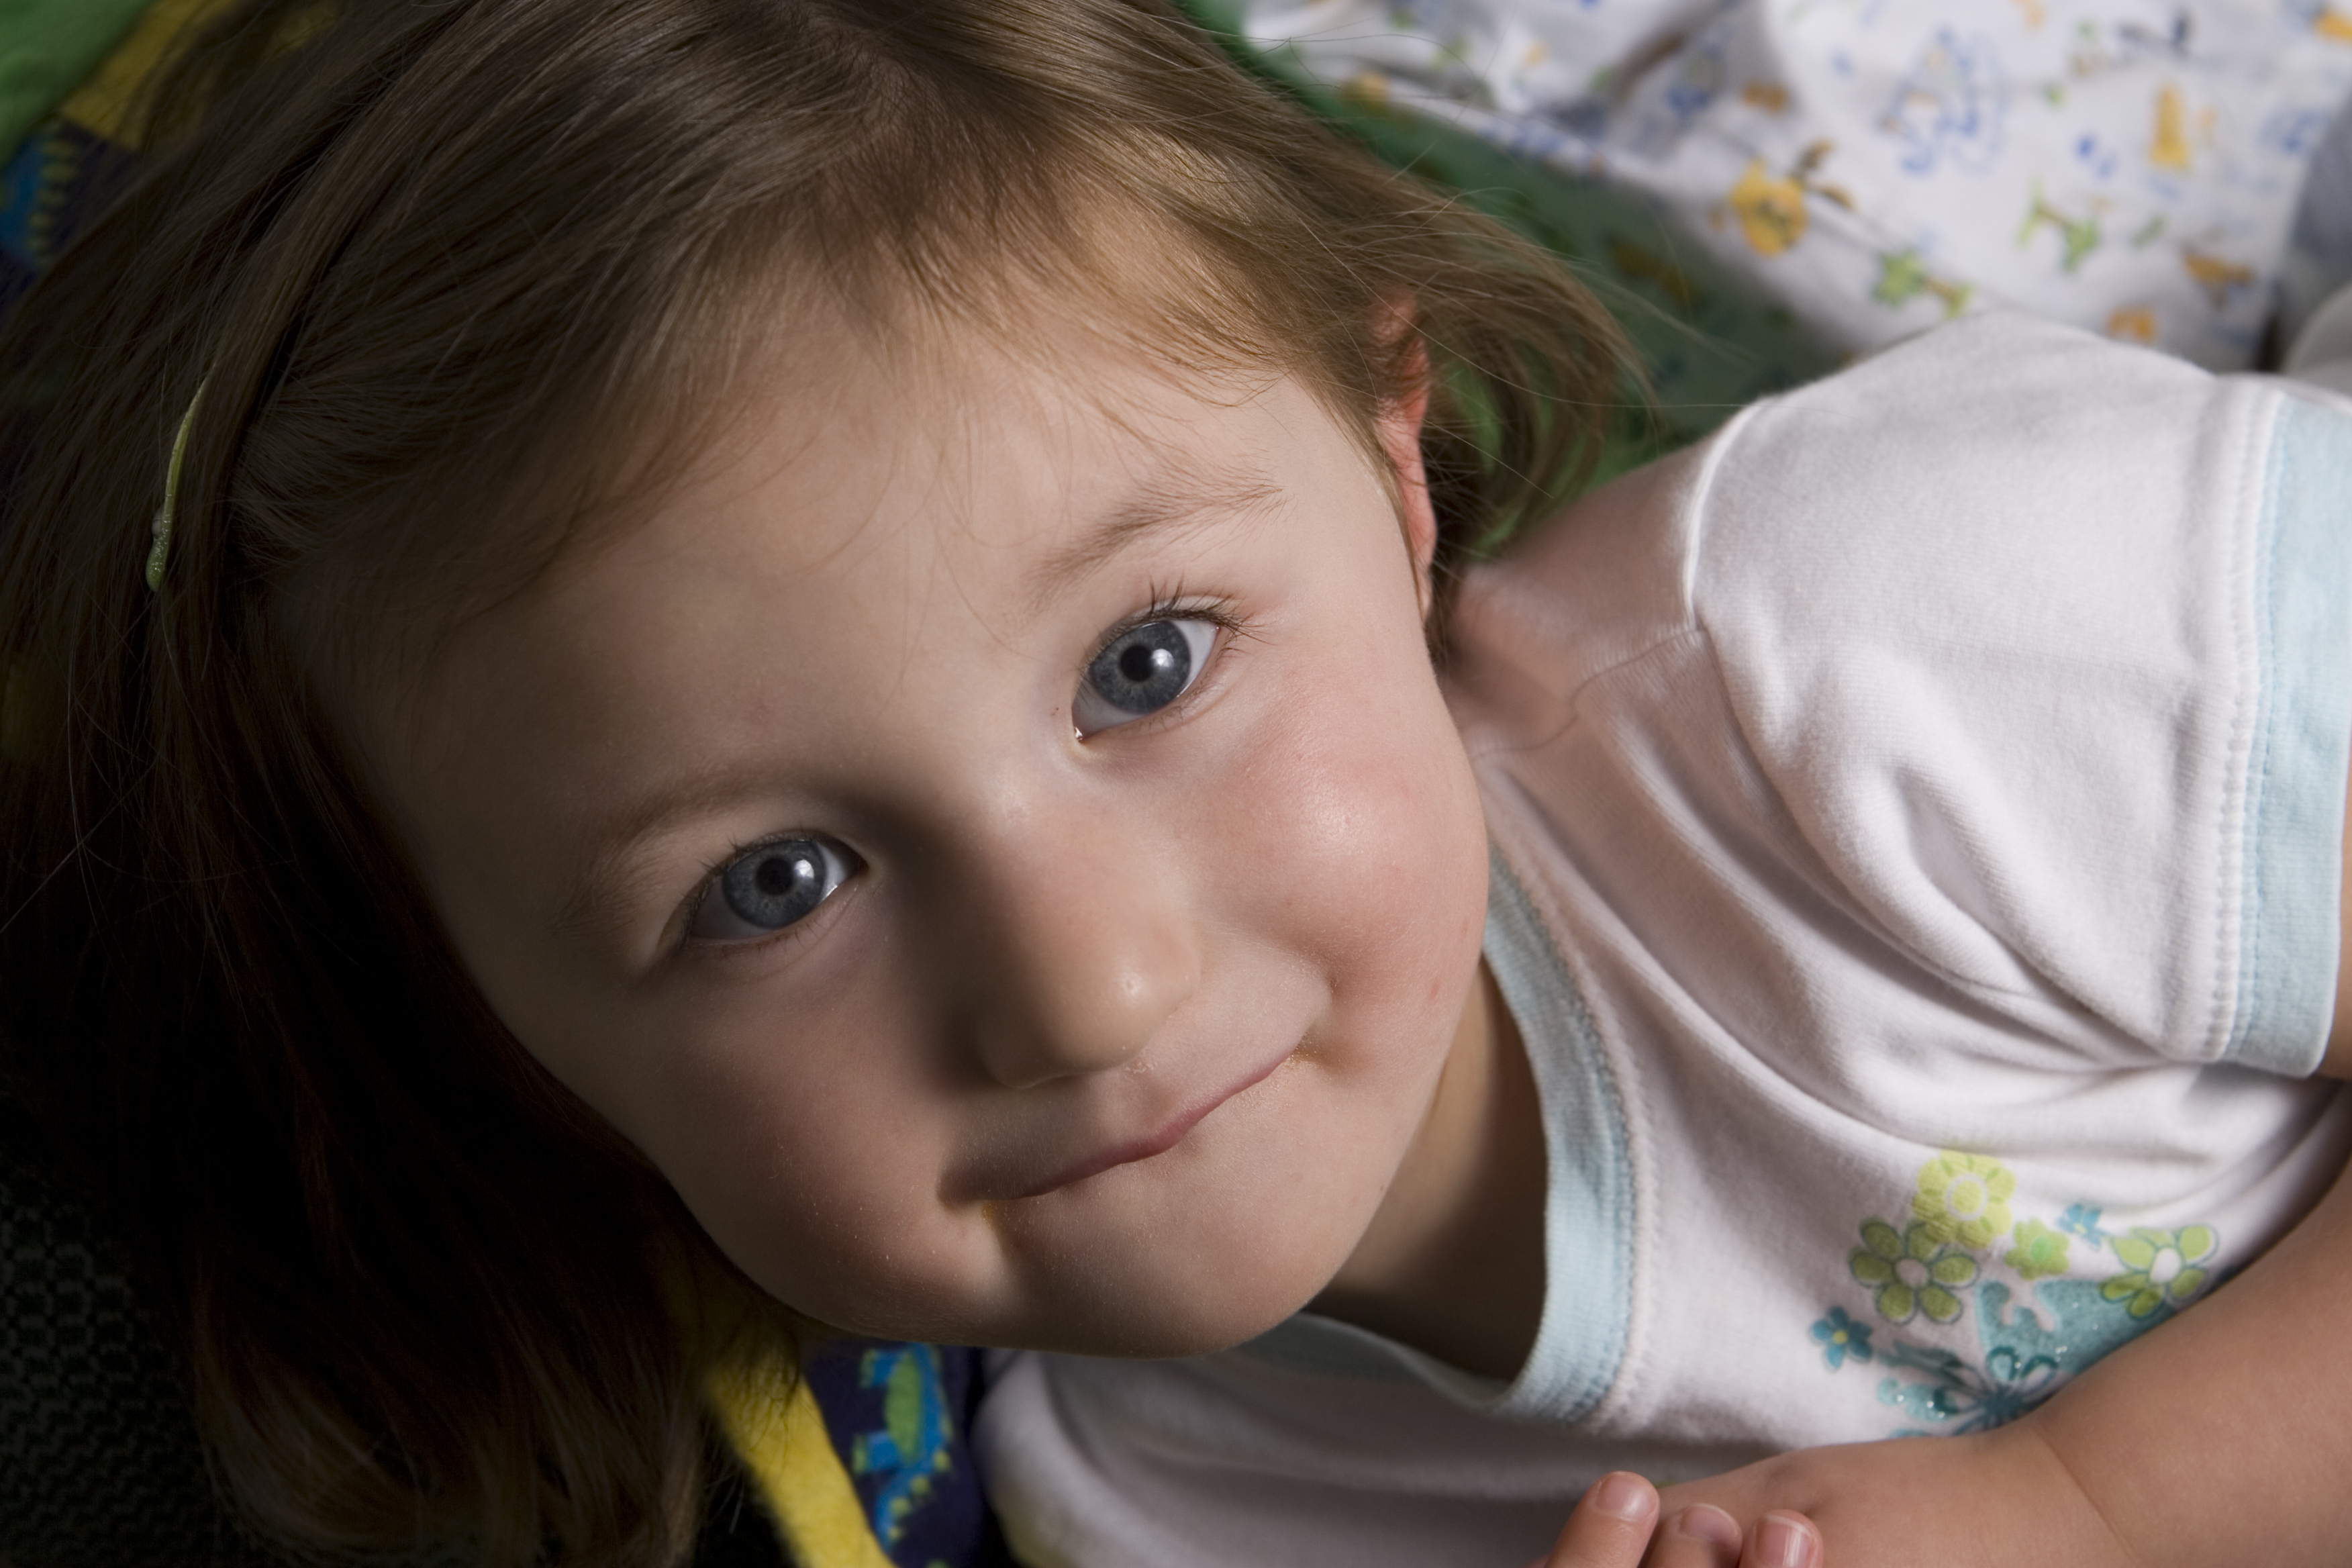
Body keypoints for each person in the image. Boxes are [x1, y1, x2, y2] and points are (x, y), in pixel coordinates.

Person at [0, 3, 2343, 1568]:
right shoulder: (1165, 1515)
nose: (1087, 985)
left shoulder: (1886, 652)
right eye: (774, 882)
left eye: (1148, 666)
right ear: (498, 1038)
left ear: (1394, 474)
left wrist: (2095, 1511)